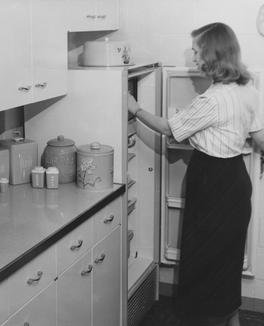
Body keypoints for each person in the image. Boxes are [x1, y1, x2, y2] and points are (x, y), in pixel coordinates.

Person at [128, 22, 264, 326]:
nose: (193, 58)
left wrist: (135, 108)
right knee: (227, 258)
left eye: (196, 52)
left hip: (212, 181)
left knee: (203, 259)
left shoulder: (212, 100)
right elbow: (259, 135)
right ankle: (233, 320)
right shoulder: (248, 88)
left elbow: (169, 129)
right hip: (236, 181)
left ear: (213, 55)